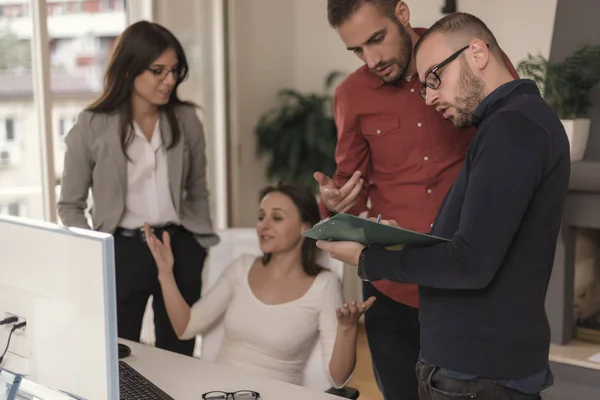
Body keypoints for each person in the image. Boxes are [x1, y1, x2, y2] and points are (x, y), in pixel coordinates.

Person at [317, 12, 570, 400]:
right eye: (424, 85)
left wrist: (368, 259)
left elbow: (472, 262)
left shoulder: (509, 127)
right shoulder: (509, 120)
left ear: (478, 53)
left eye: (435, 78)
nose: (430, 94)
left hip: (477, 365)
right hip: (467, 351)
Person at [57, 21, 218, 357]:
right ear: (129, 69)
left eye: (174, 70)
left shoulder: (187, 119)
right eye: (158, 71)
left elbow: (198, 188)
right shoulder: (92, 124)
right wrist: (96, 254)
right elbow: (70, 204)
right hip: (122, 251)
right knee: (118, 353)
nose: (170, 80)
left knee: (178, 353)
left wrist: (199, 245)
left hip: (179, 247)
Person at [143, 183, 374, 388]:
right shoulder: (241, 268)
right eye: (261, 217)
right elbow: (186, 327)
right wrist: (165, 273)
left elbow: (337, 379)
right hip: (216, 390)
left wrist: (347, 329)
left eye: (277, 217)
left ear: (305, 227)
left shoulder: (324, 285)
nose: (263, 225)